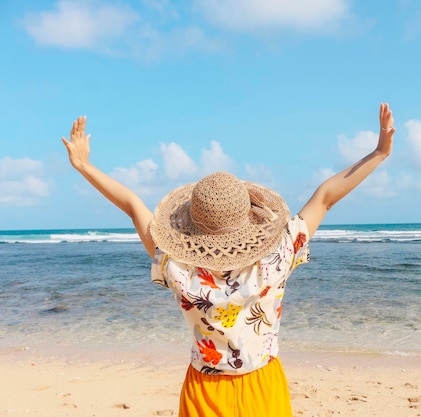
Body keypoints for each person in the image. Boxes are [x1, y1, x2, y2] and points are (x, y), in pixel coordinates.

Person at [62, 103, 395, 417]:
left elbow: (133, 205)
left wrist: (84, 166)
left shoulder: (177, 268)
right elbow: (324, 198)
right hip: (262, 387)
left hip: (203, 391)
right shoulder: (276, 258)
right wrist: (378, 153)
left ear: (192, 227)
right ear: (250, 217)